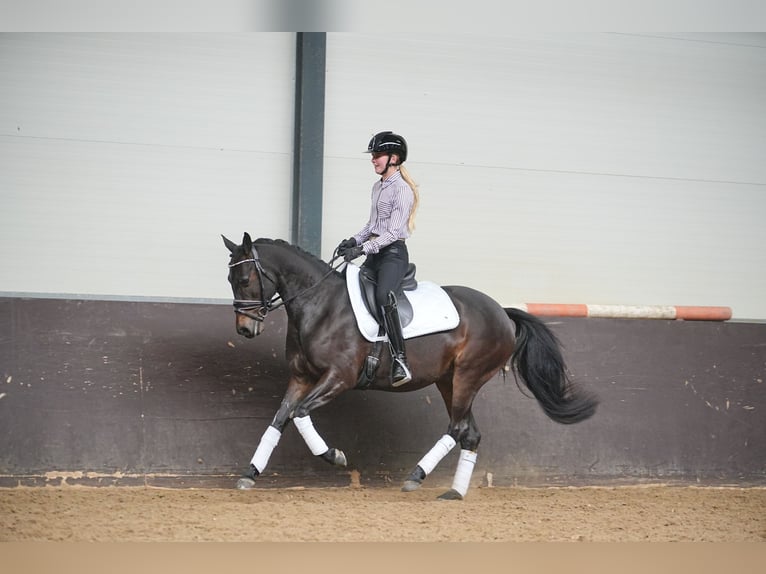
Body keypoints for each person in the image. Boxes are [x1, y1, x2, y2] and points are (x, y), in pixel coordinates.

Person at [337, 131, 420, 387]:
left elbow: (393, 232)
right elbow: (372, 225)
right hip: (374, 251)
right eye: (373, 155)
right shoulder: (378, 187)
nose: (373, 159)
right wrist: (354, 240)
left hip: (392, 254)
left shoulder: (403, 191)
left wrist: (364, 249)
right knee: (347, 286)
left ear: (393, 158)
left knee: (384, 295)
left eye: (377, 155)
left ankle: (399, 359)